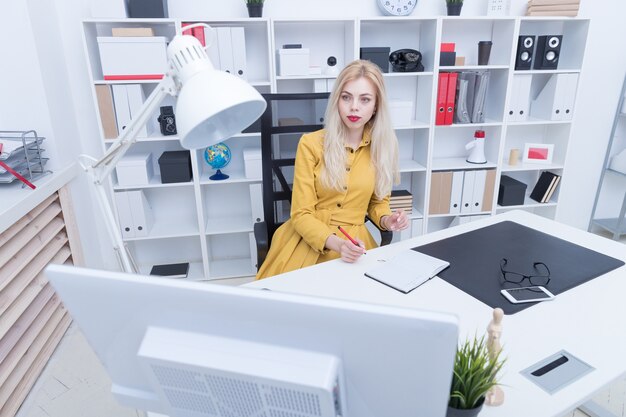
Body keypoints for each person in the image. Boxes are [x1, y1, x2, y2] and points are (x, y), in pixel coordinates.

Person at [256, 59, 409, 280]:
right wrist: (337, 244)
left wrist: (387, 220)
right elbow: (301, 214)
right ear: (337, 100)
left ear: (376, 105)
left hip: (356, 243)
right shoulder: (310, 144)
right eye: (346, 97)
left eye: (364, 99)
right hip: (306, 239)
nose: (354, 107)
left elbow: (377, 202)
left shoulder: (384, 147)